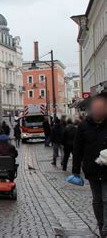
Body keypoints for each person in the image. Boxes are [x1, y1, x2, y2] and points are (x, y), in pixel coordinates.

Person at [72, 95, 107, 236]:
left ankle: (106, 229)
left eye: (101, 108)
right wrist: (75, 170)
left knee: (106, 199)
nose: (97, 111)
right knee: (97, 201)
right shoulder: (84, 126)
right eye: (95, 108)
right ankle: (101, 225)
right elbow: (77, 148)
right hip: (92, 168)